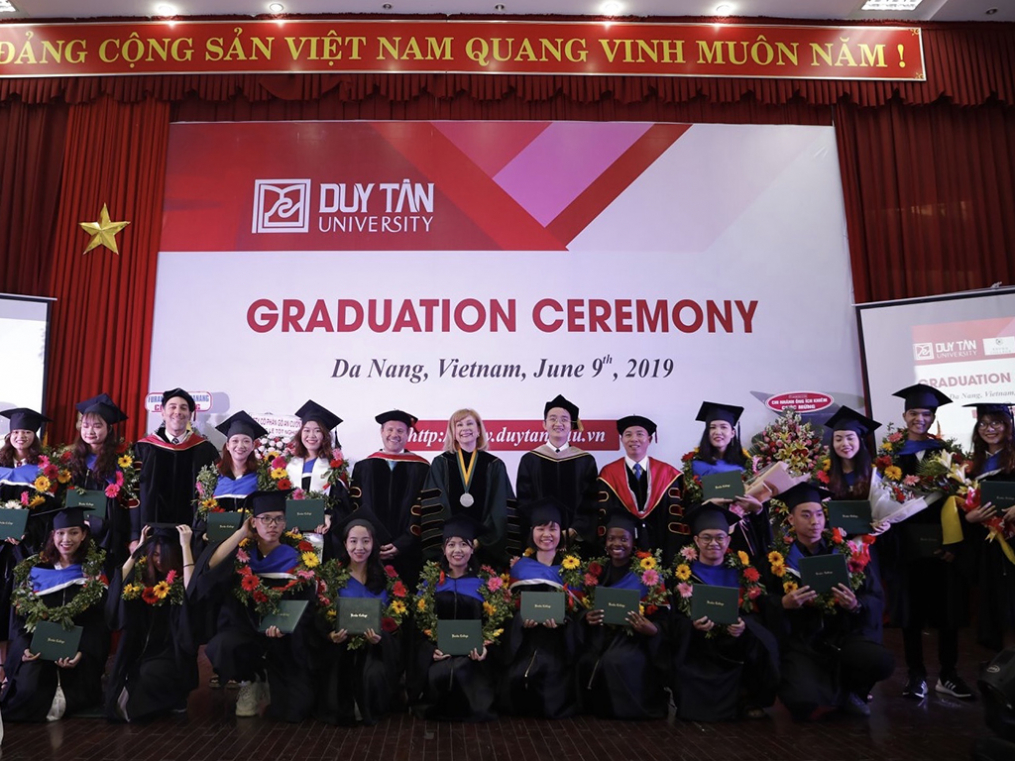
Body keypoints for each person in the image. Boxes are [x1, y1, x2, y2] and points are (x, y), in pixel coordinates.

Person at [766, 483, 893, 721]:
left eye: (818, 514)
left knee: (881, 661)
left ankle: (853, 692)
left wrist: (855, 605)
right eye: (805, 515)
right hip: (802, 641)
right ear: (791, 520)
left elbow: (874, 597)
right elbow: (763, 601)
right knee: (802, 703)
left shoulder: (847, 553)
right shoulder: (778, 558)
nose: (814, 522)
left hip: (843, 636)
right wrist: (783, 604)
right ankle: (825, 690)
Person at [194, 489, 318, 722]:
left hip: (286, 638)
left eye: (279, 519)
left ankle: (274, 680)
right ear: (254, 522)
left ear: (285, 523)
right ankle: (250, 679)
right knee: (222, 645)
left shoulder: (298, 557)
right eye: (266, 519)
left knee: (295, 711)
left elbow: (307, 604)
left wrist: (286, 625)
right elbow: (211, 566)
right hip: (246, 632)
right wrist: (241, 531)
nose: (272, 524)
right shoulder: (243, 554)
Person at [885, 384, 972, 701]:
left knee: (946, 613)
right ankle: (916, 674)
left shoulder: (946, 454)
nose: (919, 418)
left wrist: (953, 544)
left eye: (926, 414)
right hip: (906, 546)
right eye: (914, 413)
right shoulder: (890, 456)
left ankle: (948, 674)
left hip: (941, 543)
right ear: (904, 415)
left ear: (933, 417)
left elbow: (959, 500)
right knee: (912, 614)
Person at [0, 505, 109, 722]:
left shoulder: (92, 573)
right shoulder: (39, 570)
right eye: (60, 533)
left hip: (77, 652)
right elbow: (21, 620)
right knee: (28, 691)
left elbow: (98, 623)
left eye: (73, 532)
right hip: (37, 649)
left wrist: (82, 653)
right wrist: (24, 649)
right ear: (53, 535)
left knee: (74, 692)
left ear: (84, 535)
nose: (66, 539)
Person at [670, 505, 779, 721]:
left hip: (735, 644)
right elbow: (673, 620)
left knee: (762, 639)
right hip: (699, 647)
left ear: (728, 541)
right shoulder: (681, 576)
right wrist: (692, 626)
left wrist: (744, 625)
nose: (714, 543)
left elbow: (758, 613)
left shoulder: (743, 572)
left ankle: (748, 697)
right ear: (696, 541)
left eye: (720, 537)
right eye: (706, 538)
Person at [575, 509, 669, 720]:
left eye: (623, 539)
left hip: (633, 640)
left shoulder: (648, 574)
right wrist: (586, 618)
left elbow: (664, 619)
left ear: (633, 541)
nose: (617, 544)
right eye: (611, 539)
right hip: (601, 637)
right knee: (586, 661)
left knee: (617, 661)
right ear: (605, 542)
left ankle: (626, 710)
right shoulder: (595, 570)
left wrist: (652, 629)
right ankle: (597, 709)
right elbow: (582, 609)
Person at [315, 509, 403, 726]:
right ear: (345, 544)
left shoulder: (387, 577)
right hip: (341, 648)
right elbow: (320, 618)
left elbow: (397, 625)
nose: (359, 547)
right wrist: (331, 635)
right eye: (353, 541)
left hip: (376, 649)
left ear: (374, 544)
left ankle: (371, 706)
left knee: (375, 673)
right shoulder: (333, 577)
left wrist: (381, 638)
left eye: (366, 541)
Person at [409, 514, 500, 722]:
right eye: (451, 545)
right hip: (440, 656)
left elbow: (495, 625)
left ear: (472, 548)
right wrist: (431, 650)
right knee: (440, 675)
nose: (457, 550)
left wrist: (486, 646)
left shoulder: (485, 584)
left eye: (463, 544)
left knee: (464, 673)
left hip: (474, 659)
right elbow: (418, 628)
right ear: (443, 550)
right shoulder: (430, 584)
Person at [105, 523, 198, 722]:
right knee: (121, 683)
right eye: (154, 554)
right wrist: (139, 548)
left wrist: (186, 546)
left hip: (172, 652)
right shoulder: (143, 578)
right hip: (142, 650)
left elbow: (193, 592)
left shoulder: (181, 580)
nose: (159, 560)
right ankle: (168, 702)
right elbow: (119, 582)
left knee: (148, 676)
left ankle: (174, 700)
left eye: (164, 554)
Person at [500, 497, 578, 718]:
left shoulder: (571, 568)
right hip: (525, 642)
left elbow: (579, 615)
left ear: (561, 532)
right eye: (540, 528)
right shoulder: (520, 568)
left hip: (558, 645)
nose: (546, 535)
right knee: (516, 681)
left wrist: (564, 621)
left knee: (549, 684)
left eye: (553, 528)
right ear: (531, 532)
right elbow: (508, 612)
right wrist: (520, 621)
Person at [420, 409, 513, 567]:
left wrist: (480, 541)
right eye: (459, 425)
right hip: (450, 551)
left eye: (470, 423)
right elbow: (434, 509)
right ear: (453, 432)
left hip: (484, 548)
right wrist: (453, 542)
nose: (465, 428)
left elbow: (499, 508)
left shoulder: (494, 464)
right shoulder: (441, 463)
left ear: (478, 430)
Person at [132, 388, 218, 552]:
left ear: (191, 414)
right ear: (162, 412)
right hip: (150, 533)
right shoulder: (143, 448)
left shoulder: (204, 449)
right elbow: (133, 494)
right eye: (172, 407)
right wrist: (134, 535)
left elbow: (213, 493)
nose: (177, 412)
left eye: (183, 408)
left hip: (193, 535)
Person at [0, 408, 56, 661]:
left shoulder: (44, 470)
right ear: (9, 435)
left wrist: (24, 531)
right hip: (1, 545)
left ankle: (18, 662)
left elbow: (50, 511)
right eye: (16, 432)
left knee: (21, 604)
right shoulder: (0, 465)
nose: (20, 436)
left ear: (34, 436)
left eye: (26, 432)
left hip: (29, 546)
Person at [349, 410, 429, 584]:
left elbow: (425, 508)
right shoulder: (364, 467)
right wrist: (371, 541)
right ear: (382, 432)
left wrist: (404, 543)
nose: (394, 435)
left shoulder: (422, 468)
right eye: (390, 430)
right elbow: (356, 508)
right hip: (371, 551)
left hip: (409, 552)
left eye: (400, 431)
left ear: (408, 434)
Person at [514, 395, 599, 557]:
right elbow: (525, 502)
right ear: (544, 424)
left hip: (576, 543)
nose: (558, 423)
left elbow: (591, 502)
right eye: (553, 419)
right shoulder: (530, 460)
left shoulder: (585, 461)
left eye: (564, 419)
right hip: (541, 541)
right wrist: (541, 531)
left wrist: (574, 531)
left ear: (571, 425)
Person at [961, 402, 1015, 652]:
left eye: (996, 423)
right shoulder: (974, 465)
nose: (989, 429)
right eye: (983, 423)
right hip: (989, 546)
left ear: (1008, 425)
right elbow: (966, 503)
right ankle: (1003, 664)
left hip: (1013, 543)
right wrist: (969, 518)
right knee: (995, 602)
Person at [596, 415, 684, 563]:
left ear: (649, 440)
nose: (634, 439)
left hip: (660, 549)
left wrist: (672, 553)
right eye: (628, 434)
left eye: (640, 434)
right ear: (621, 440)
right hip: (620, 552)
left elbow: (675, 517)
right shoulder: (608, 474)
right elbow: (603, 516)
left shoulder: (668, 474)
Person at [688, 402, 767, 560]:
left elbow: (762, 503)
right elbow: (688, 505)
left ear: (732, 433)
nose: (718, 432)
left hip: (742, 532)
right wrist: (708, 505)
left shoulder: (746, 465)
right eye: (712, 427)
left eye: (723, 427)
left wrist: (756, 508)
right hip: (708, 535)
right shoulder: (695, 465)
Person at [67, 394, 130, 572]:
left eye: (97, 426)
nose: (90, 431)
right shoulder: (71, 459)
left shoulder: (121, 459)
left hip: (109, 529)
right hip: (76, 528)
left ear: (109, 429)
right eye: (85, 426)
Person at [284, 400, 351, 558]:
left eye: (317, 431)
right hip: (289, 534)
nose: (311, 436)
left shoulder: (334, 467)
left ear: (325, 436)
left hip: (323, 536)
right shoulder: (286, 466)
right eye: (306, 430)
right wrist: (286, 520)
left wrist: (330, 516)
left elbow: (344, 506)